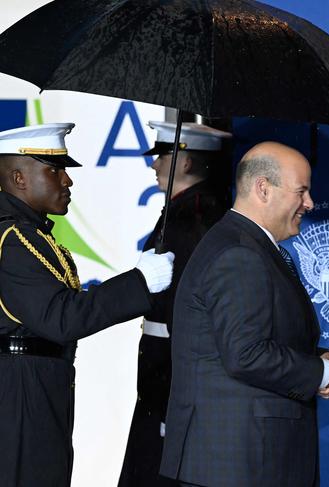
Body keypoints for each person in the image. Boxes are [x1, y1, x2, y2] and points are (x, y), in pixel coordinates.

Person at [160, 141, 329, 487]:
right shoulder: (239, 253)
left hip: (245, 461)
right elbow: (246, 354)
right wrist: (320, 372)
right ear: (263, 188)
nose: (310, 203)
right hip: (239, 465)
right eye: (302, 191)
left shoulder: (245, 245)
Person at [0, 123, 175, 487]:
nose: (67, 181)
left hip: (34, 388)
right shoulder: (14, 240)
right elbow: (61, 318)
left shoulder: (30, 234)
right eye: (55, 170)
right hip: (20, 395)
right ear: (19, 178)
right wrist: (139, 282)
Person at [119, 121, 231, 487]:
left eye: (162, 156)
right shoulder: (183, 210)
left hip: (171, 374)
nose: (153, 165)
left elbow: (187, 313)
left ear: (185, 163)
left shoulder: (195, 214)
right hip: (162, 370)